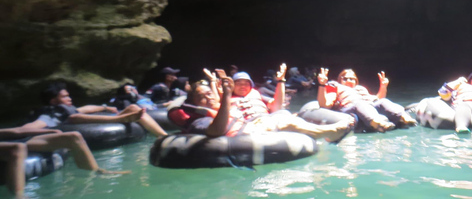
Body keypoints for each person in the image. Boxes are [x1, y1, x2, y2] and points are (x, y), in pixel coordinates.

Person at [170, 71, 352, 143]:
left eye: (209, 93)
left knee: (284, 116)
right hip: (246, 129)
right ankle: (329, 132)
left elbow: (277, 105)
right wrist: (219, 88)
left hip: (254, 123)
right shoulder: (216, 107)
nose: (208, 97)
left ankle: (326, 131)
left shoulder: (256, 95)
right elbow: (216, 119)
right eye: (201, 96)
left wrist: (281, 80)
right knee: (285, 121)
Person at [0, 125, 128, 197]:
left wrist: (50, 131)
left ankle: (97, 171)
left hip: (11, 140)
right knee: (17, 148)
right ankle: (18, 195)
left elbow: (15, 131)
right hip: (13, 145)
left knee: (73, 136)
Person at [25, 82, 167, 138]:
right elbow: (31, 127)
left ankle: (163, 136)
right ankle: (119, 119)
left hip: (83, 120)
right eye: (65, 97)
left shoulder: (65, 109)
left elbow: (85, 109)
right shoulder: (50, 113)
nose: (69, 99)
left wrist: (106, 107)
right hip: (69, 130)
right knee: (75, 117)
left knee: (133, 107)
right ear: (53, 101)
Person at [317, 68, 416, 132]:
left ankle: (405, 119)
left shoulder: (360, 88)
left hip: (367, 107)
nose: (349, 81)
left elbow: (378, 100)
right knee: (360, 104)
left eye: (352, 79)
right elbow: (325, 105)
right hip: (348, 110)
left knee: (384, 102)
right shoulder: (335, 86)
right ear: (340, 80)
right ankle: (378, 124)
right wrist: (322, 84)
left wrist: (383, 86)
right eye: (345, 78)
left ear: (356, 81)